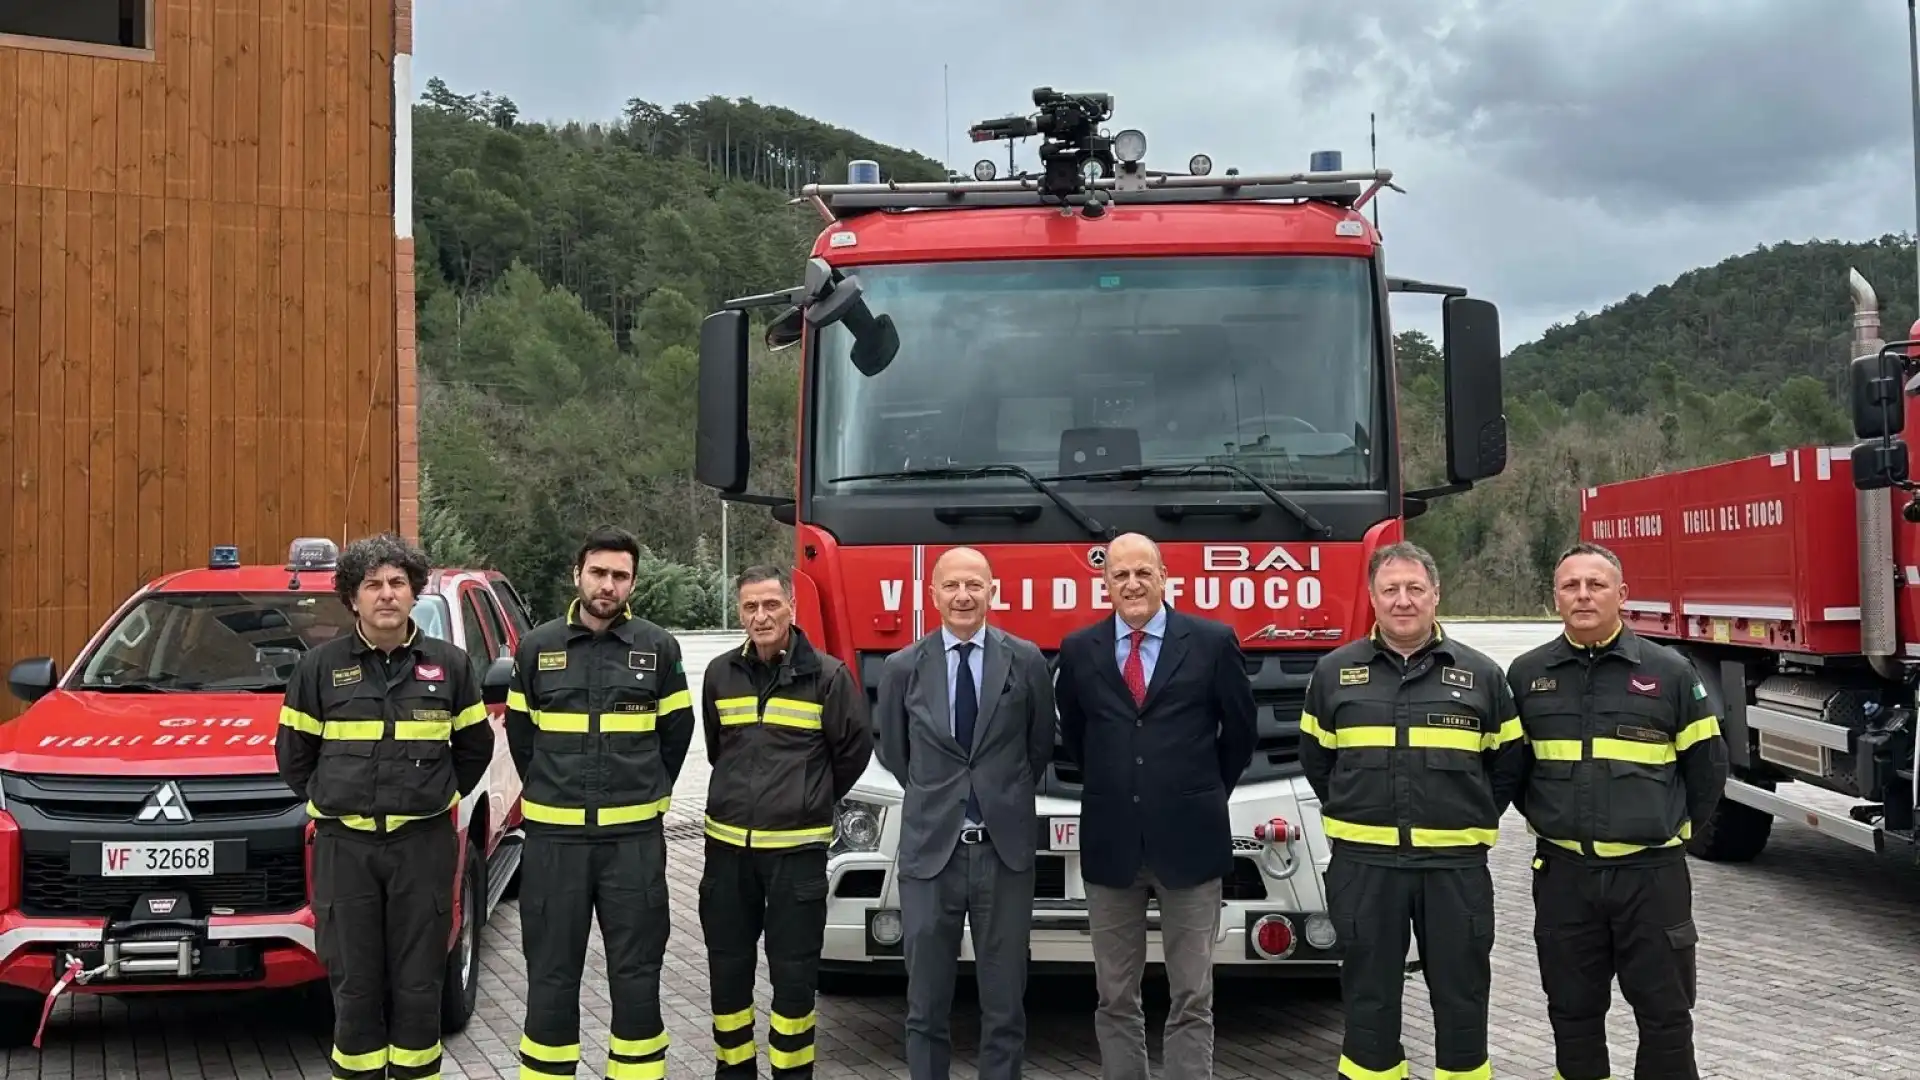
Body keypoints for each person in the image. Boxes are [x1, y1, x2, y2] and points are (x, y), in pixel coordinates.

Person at [1298, 541, 1524, 1080]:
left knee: (1463, 997)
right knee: (1368, 1002)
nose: (1403, 601)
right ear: (1372, 598)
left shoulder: (1482, 676)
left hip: (1454, 870)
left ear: (1435, 595)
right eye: (1391, 589)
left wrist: (1462, 821)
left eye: (1415, 589)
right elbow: (1319, 764)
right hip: (1365, 868)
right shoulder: (1334, 674)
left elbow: (1507, 769)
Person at [275, 533, 495, 1080]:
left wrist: (433, 796)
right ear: (352, 597)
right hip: (344, 847)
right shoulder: (318, 669)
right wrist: (336, 799)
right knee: (353, 981)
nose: (386, 594)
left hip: (422, 847)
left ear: (415, 591)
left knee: (421, 981)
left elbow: (473, 751)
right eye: (372, 584)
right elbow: (293, 757)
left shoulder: (451, 666)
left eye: (398, 582)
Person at [1507, 541, 1729, 1080]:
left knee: (1666, 1016)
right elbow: (1512, 770)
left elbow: (1707, 768)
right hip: (1564, 876)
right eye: (1570, 586)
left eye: (1596, 584)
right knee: (1573, 1014)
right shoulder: (1526, 675)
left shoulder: (1670, 672)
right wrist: (1549, 817)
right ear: (1555, 597)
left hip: (1650, 877)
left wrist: (1672, 829)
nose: (1583, 595)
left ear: (1621, 595)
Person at [1054, 532, 1257, 1080]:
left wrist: (1202, 791)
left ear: (1165, 577)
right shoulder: (1079, 650)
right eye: (1120, 575)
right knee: (1115, 995)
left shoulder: (1213, 642)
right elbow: (1076, 735)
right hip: (1110, 843)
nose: (1132, 584)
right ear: (1105, 584)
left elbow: (1239, 733)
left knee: (1193, 994)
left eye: (1143, 572)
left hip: (1191, 842)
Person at [504, 526, 695, 1080]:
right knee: (551, 972)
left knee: (637, 973)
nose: (608, 585)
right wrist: (553, 793)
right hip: (554, 844)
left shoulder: (657, 647)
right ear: (577, 574)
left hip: (633, 844)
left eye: (620, 575)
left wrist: (645, 794)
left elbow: (676, 735)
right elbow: (522, 738)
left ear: (632, 582)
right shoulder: (537, 648)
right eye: (599, 572)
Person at [874, 547, 1058, 1080]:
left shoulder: (1025, 661)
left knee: (1004, 1006)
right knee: (925, 1007)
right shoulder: (902, 667)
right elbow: (896, 755)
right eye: (951, 585)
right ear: (932, 594)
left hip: (1004, 855)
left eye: (974, 585)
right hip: (932, 857)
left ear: (992, 591)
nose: (963, 595)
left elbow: (1038, 747)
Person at [700, 566, 872, 1079]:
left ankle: (791, 1074)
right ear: (739, 611)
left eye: (771, 605)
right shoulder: (719, 674)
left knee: (793, 977)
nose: (761, 616)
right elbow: (718, 750)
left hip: (796, 857)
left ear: (791, 606)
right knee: (727, 972)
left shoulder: (828, 676)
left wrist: (808, 796)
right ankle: (733, 1071)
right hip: (727, 852)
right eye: (750, 607)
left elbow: (853, 752)